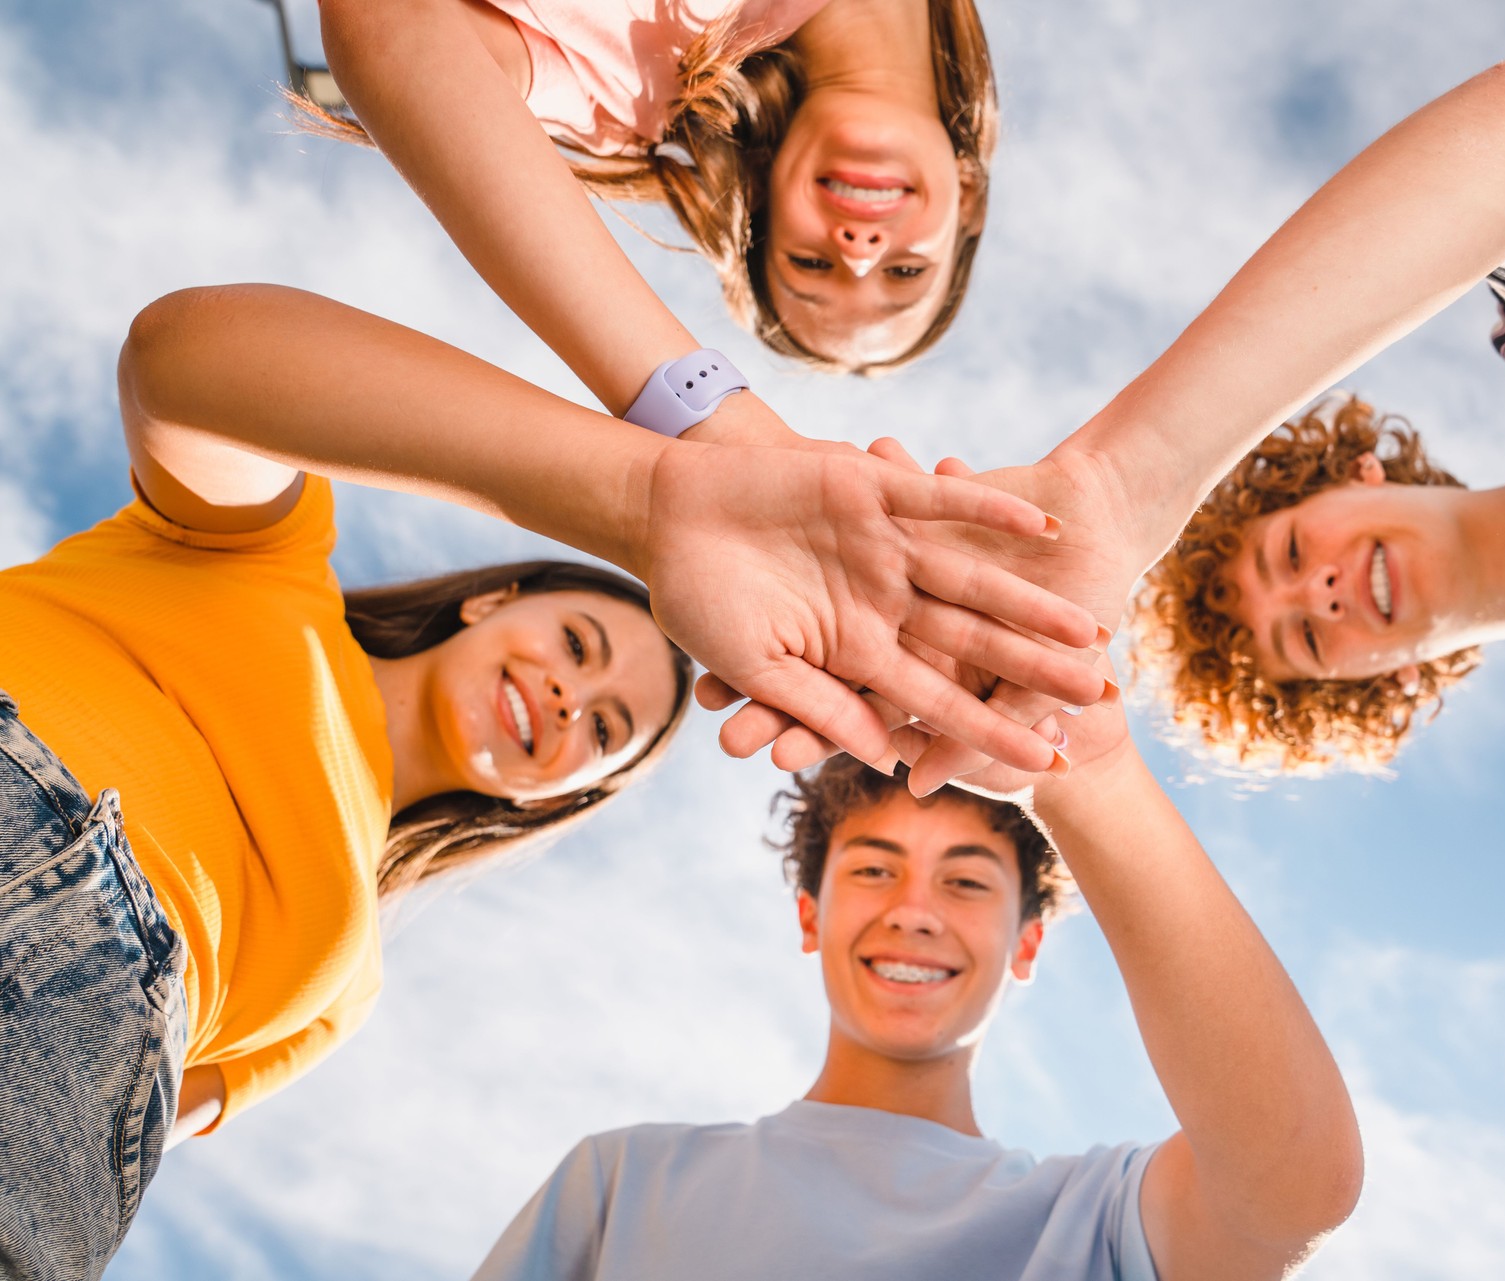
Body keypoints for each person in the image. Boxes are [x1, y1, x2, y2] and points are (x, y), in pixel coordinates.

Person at [708, 58, 1505, 1090]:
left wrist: (1129, 482)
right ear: (1352, 689)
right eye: (1296, 639)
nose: (1317, 592)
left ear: (1347, 469)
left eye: (1289, 555)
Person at [0, 279, 1100, 1281]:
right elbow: (185, 352)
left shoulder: (346, 991)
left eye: (605, 727)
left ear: (554, 800)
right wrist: (654, 497)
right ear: (493, 599)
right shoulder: (264, 560)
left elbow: (135, 1126)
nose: (569, 703)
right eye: (576, 644)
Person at [472, 669, 1361, 1281]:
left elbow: (1294, 1190)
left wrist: (1089, 777)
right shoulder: (626, 1181)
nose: (915, 907)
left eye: (968, 880)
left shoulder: (1082, 1222)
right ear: (810, 915)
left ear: (1026, 945)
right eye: (872, 867)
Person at [312, 0, 995, 379]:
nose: (859, 250)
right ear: (967, 200)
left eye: (810, 263)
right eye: (906, 270)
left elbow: (389, 21)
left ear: (759, 202)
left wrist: (686, 403)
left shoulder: (623, 92)